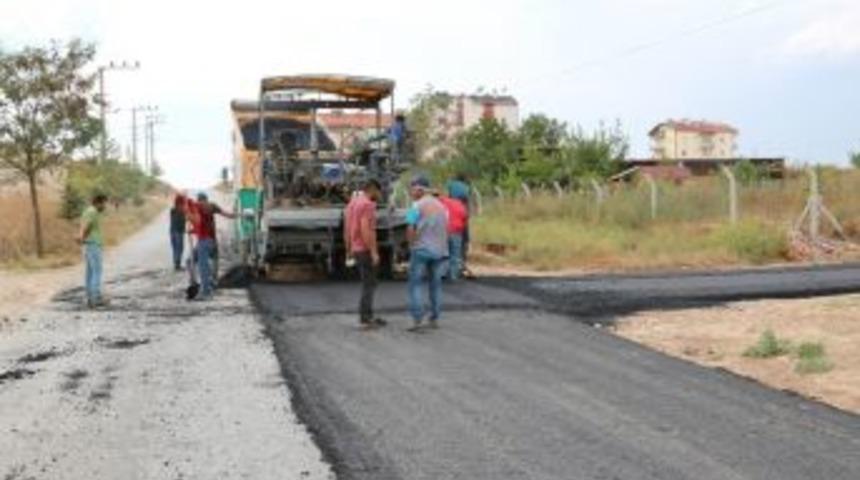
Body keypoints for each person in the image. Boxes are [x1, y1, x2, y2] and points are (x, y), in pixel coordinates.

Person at [405, 177, 449, 332]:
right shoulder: (442, 207)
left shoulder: (416, 205)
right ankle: (434, 318)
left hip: (422, 250)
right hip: (439, 252)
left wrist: (411, 245)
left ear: (420, 190)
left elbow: (410, 227)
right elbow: (446, 229)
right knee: (435, 285)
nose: (411, 192)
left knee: (415, 285)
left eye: (412, 189)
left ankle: (417, 320)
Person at [344, 179, 387, 330]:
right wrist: (374, 252)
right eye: (378, 191)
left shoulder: (353, 203)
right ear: (373, 189)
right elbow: (366, 229)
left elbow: (347, 228)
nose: (379, 195)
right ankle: (366, 318)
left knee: (367, 283)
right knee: (369, 284)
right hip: (364, 249)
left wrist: (348, 249)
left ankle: (368, 315)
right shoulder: (367, 205)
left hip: (356, 248)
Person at [187, 192, 235, 300]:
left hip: (204, 241)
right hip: (211, 241)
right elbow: (227, 215)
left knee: (202, 265)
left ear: (200, 200)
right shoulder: (211, 206)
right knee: (192, 261)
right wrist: (236, 215)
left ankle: (206, 291)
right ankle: (205, 284)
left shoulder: (199, 207)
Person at [78, 194, 109, 308]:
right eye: (104, 203)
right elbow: (87, 226)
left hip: (88, 244)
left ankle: (89, 297)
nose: (105, 206)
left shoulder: (87, 211)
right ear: (98, 202)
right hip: (93, 244)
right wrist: (82, 237)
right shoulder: (93, 212)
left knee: (90, 272)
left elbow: (83, 225)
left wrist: (81, 238)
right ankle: (95, 298)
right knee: (97, 271)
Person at [446, 174, 472, 275]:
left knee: (450, 245)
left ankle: (450, 267)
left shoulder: (451, 185)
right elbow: (467, 206)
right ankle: (462, 264)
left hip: (451, 221)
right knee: (464, 241)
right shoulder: (466, 188)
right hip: (462, 219)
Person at [439, 194, 469, 281]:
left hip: (444, 231)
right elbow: (465, 220)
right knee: (455, 255)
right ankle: (453, 276)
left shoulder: (445, 201)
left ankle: (441, 274)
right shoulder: (462, 207)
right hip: (456, 232)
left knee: (443, 254)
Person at [169, 195, 186, 271]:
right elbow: (181, 220)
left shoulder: (173, 210)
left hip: (172, 231)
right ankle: (177, 265)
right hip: (178, 231)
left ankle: (176, 264)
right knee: (179, 248)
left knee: (176, 248)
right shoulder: (181, 211)